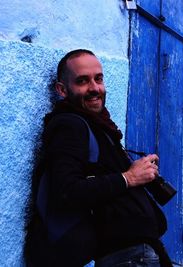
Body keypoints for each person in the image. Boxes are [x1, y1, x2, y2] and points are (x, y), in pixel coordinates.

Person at [25, 49, 172, 267]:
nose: (95, 88)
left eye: (98, 79)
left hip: (136, 253)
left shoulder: (97, 125)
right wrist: (128, 177)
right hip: (126, 257)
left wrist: (135, 172)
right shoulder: (70, 126)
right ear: (62, 90)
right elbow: (66, 190)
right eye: (83, 81)